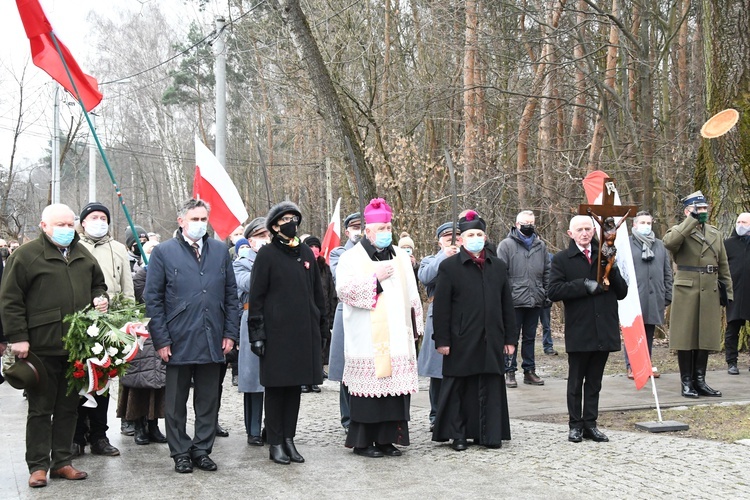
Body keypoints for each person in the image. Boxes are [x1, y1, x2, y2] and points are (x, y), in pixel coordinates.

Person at [0, 203, 109, 488]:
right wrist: (17, 337)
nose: (65, 229)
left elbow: (99, 284)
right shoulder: (26, 256)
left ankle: (62, 462)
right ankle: (38, 466)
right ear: (44, 226)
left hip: (75, 347)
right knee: (40, 409)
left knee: (68, 408)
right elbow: (10, 299)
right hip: (40, 346)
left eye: (69, 224)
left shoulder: (82, 254)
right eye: (59, 225)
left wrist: (100, 298)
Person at [144, 198, 239, 474]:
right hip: (178, 338)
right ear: (181, 221)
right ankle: (181, 452)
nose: (199, 224)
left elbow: (231, 295)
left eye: (203, 219)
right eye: (194, 219)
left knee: (208, 400)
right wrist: (161, 339)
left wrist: (230, 333)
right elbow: (153, 299)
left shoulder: (220, 251)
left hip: (213, 337)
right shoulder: (163, 252)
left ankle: (202, 449)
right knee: (175, 402)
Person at [336, 198, 423, 458]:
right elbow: (344, 291)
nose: (386, 232)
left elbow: (412, 292)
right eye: (381, 228)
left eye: (388, 227)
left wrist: (416, 323)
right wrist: (376, 280)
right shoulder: (351, 257)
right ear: (368, 231)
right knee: (369, 392)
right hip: (367, 337)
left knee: (394, 392)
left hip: (397, 335)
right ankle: (364, 442)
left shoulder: (401, 256)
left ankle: (387, 439)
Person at [247, 201, 325, 465]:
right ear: (275, 225)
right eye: (286, 219)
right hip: (276, 334)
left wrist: (320, 322)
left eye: (295, 218)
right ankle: (276, 442)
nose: (292, 223)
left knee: (294, 389)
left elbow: (317, 291)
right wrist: (256, 334)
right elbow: (256, 297)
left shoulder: (304, 252)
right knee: (277, 389)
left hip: (303, 333)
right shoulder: (267, 254)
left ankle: (289, 439)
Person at [431, 211, 517, 450]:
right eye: (471, 234)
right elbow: (442, 308)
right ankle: (458, 434)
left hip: (491, 337)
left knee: (489, 384)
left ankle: (488, 433)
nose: (476, 238)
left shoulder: (498, 267)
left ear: (485, 237)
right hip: (461, 338)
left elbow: (507, 305)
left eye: (479, 234)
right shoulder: (449, 267)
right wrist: (442, 340)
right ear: (460, 239)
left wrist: (510, 337)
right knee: (460, 387)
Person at [548, 215, 628, 443]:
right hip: (580, 327)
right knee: (576, 381)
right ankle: (575, 425)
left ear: (594, 231)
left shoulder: (606, 255)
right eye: (579, 230)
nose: (584, 233)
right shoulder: (562, 259)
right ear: (570, 234)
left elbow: (622, 292)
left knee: (595, 381)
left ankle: (590, 424)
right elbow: (553, 291)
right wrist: (582, 285)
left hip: (603, 327)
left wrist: (611, 268)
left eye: (588, 229)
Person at [72, 202, 135, 458]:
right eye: (93, 217)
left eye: (103, 217)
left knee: (103, 381)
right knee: (78, 379)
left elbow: (127, 287)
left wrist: (127, 322)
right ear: (83, 222)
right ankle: (76, 436)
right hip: (79, 324)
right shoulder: (74, 248)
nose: (99, 221)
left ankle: (99, 436)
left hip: (110, 324)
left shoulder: (118, 249)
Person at [663, 191, 733, 398]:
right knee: (686, 337)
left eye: (704, 209)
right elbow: (669, 243)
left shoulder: (715, 233)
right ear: (688, 211)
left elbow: (723, 265)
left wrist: (727, 291)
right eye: (698, 209)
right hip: (687, 289)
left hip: (710, 288)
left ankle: (700, 380)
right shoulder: (679, 230)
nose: (702, 212)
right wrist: (691, 221)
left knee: (705, 336)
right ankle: (686, 382)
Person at [119, 239, 167, 445]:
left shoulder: (167, 272)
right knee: (140, 383)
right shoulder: (141, 275)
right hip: (142, 336)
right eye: (150, 250)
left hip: (161, 333)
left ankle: (154, 424)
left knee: (158, 384)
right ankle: (139, 425)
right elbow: (140, 297)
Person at [496, 210, 549, 387]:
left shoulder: (540, 246)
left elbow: (547, 271)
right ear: (517, 224)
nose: (529, 226)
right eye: (526, 223)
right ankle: (509, 370)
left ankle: (529, 370)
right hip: (513, 300)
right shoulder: (506, 245)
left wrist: (545, 292)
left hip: (535, 298)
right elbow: (500, 274)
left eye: (532, 223)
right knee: (511, 337)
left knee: (530, 337)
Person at [417, 222, 461, 431]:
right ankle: (436, 415)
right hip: (439, 319)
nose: (452, 241)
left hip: (463, 318)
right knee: (438, 372)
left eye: (456, 237)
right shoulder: (430, 260)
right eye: (447, 237)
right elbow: (426, 277)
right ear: (439, 241)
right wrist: (445, 256)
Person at [624, 211, 673, 379]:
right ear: (634, 225)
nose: (646, 226)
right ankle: (632, 366)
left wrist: (668, 293)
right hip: (633, 296)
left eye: (649, 223)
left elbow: (667, 271)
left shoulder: (659, 245)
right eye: (642, 222)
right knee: (633, 332)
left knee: (649, 332)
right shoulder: (626, 244)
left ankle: (647, 364)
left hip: (655, 296)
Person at [235, 218, 271, 446]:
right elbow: (250, 285)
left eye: (268, 235)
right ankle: (254, 429)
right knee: (254, 379)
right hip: (253, 319)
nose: (265, 240)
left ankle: (273, 427)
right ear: (250, 240)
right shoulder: (241, 263)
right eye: (260, 236)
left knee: (275, 378)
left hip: (277, 319)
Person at [328, 212, 362, 433]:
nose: (359, 231)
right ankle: (348, 418)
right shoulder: (339, 252)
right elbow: (341, 276)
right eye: (355, 227)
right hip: (347, 311)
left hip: (370, 314)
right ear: (348, 231)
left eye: (363, 227)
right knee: (347, 370)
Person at [302, 235, 337, 393]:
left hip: (321, 314)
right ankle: (303, 379)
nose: (315, 252)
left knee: (319, 347)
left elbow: (330, 294)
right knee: (304, 348)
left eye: (317, 249)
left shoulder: (325, 268)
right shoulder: (300, 266)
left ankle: (315, 379)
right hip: (304, 315)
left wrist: (330, 318)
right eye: (311, 249)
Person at [724, 213, 749, 374]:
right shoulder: (728, 244)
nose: (740, 224)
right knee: (733, 328)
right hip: (735, 292)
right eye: (738, 221)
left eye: (744, 222)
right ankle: (731, 362)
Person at [540, 252, 558, 356]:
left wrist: (549, 296)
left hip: (545, 296)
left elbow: (552, 278)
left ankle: (548, 346)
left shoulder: (549, 257)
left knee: (546, 324)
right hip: (530, 295)